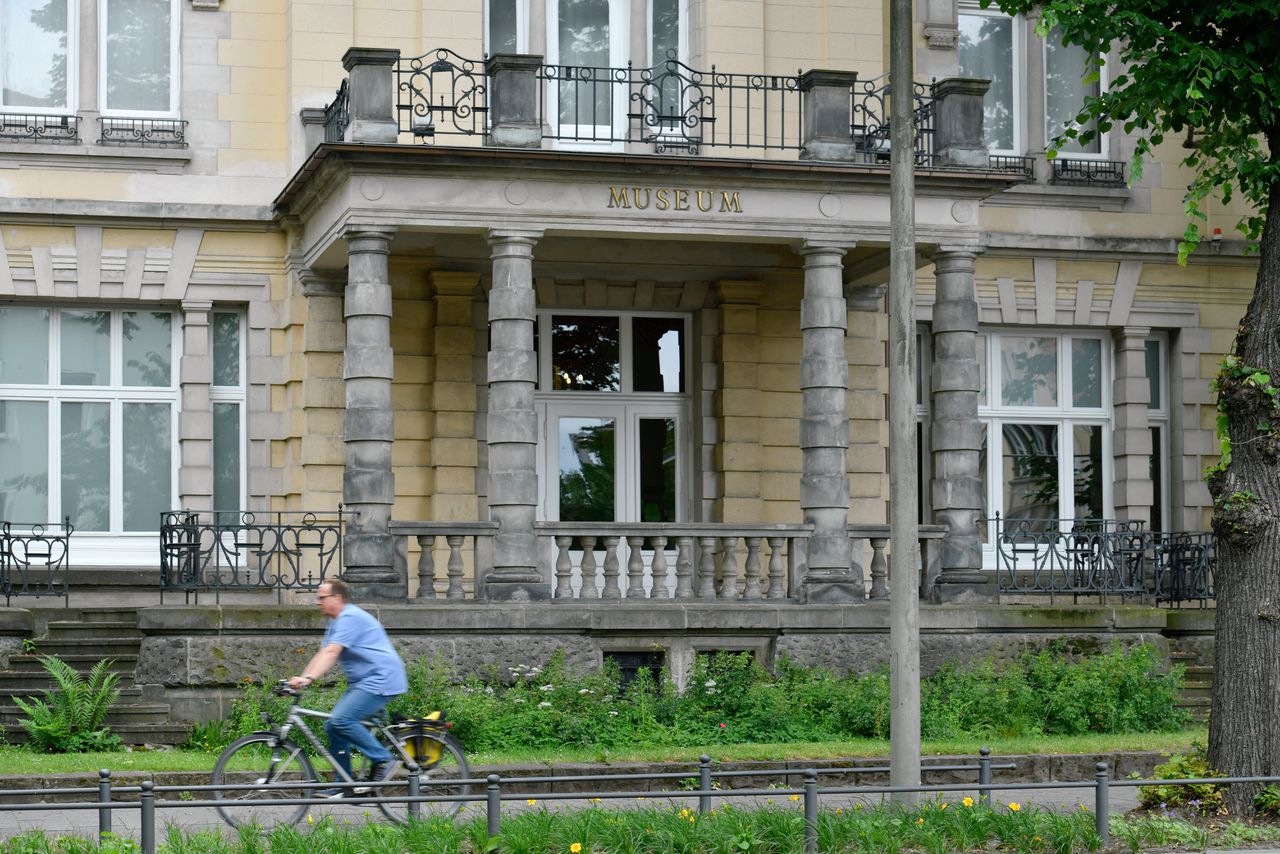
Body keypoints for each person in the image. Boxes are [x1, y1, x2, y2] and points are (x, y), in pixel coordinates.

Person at [288, 579, 408, 794]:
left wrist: (308, 679)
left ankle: (384, 759)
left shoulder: (349, 617)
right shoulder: (335, 621)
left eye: (322, 598)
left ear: (337, 598)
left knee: (341, 720)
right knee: (333, 726)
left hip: (381, 678)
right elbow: (323, 653)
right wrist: (304, 676)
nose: (318, 602)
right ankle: (342, 785)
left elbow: (333, 652)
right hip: (365, 682)